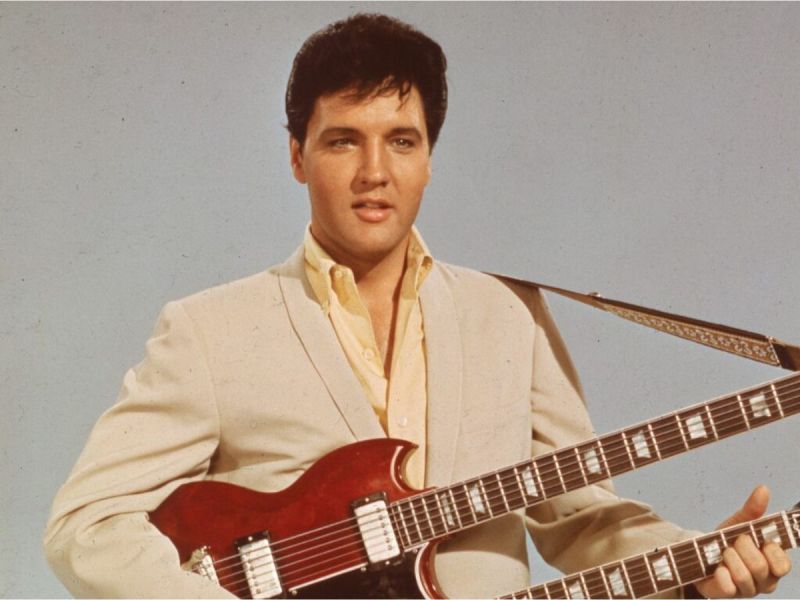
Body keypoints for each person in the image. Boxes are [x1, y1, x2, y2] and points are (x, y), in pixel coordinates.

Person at [44, 13, 791, 599]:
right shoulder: (208, 331)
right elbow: (85, 526)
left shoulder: (509, 314)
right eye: (343, 142)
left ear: (430, 156)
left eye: (401, 141)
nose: (375, 173)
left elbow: (580, 518)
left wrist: (695, 565)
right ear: (298, 156)